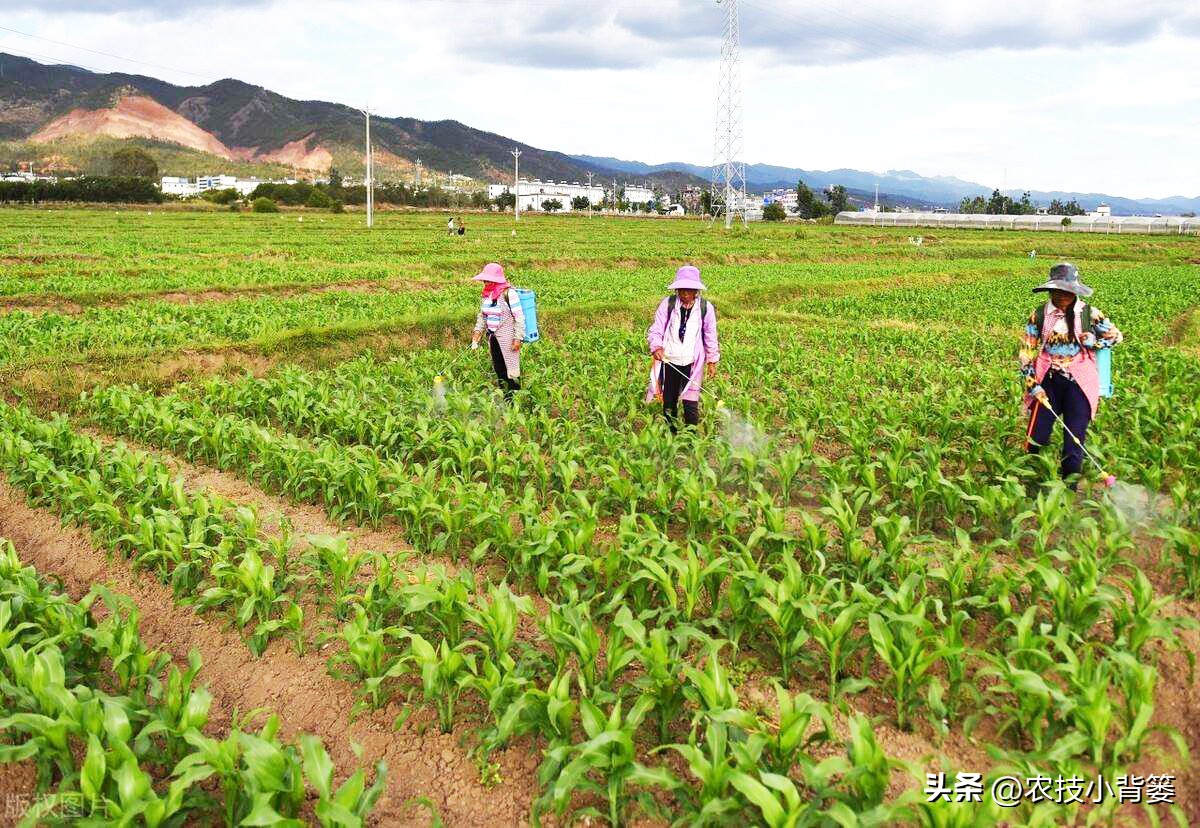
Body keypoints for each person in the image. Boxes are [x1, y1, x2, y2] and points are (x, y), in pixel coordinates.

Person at [1019, 262, 1123, 485]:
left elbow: (1116, 336)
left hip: (1079, 382)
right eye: (1059, 290)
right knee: (1036, 437)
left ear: (1075, 290)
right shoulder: (1039, 314)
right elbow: (1026, 352)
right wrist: (1032, 384)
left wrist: (1095, 342)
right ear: (1051, 290)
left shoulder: (1089, 314)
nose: (1063, 295)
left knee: (1073, 443)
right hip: (1047, 379)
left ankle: (1069, 490)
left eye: (1068, 290)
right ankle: (1032, 487)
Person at [646, 265, 720, 431]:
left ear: (696, 291)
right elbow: (656, 329)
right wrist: (656, 347)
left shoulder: (705, 308)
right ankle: (670, 434)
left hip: (692, 363)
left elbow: (710, 335)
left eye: (689, 290)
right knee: (669, 401)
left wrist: (712, 361)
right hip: (669, 360)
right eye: (682, 290)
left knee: (690, 403)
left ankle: (691, 438)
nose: (685, 294)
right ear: (677, 289)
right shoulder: (668, 304)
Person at [471, 262, 525, 400]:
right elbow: (483, 316)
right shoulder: (486, 295)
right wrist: (477, 332)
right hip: (493, 338)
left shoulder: (509, 293)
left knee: (511, 369)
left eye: (488, 279)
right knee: (499, 367)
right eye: (484, 279)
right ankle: (506, 397)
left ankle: (515, 400)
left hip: (508, 338)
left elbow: (519, 317)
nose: (485, 282)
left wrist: (518, 338)